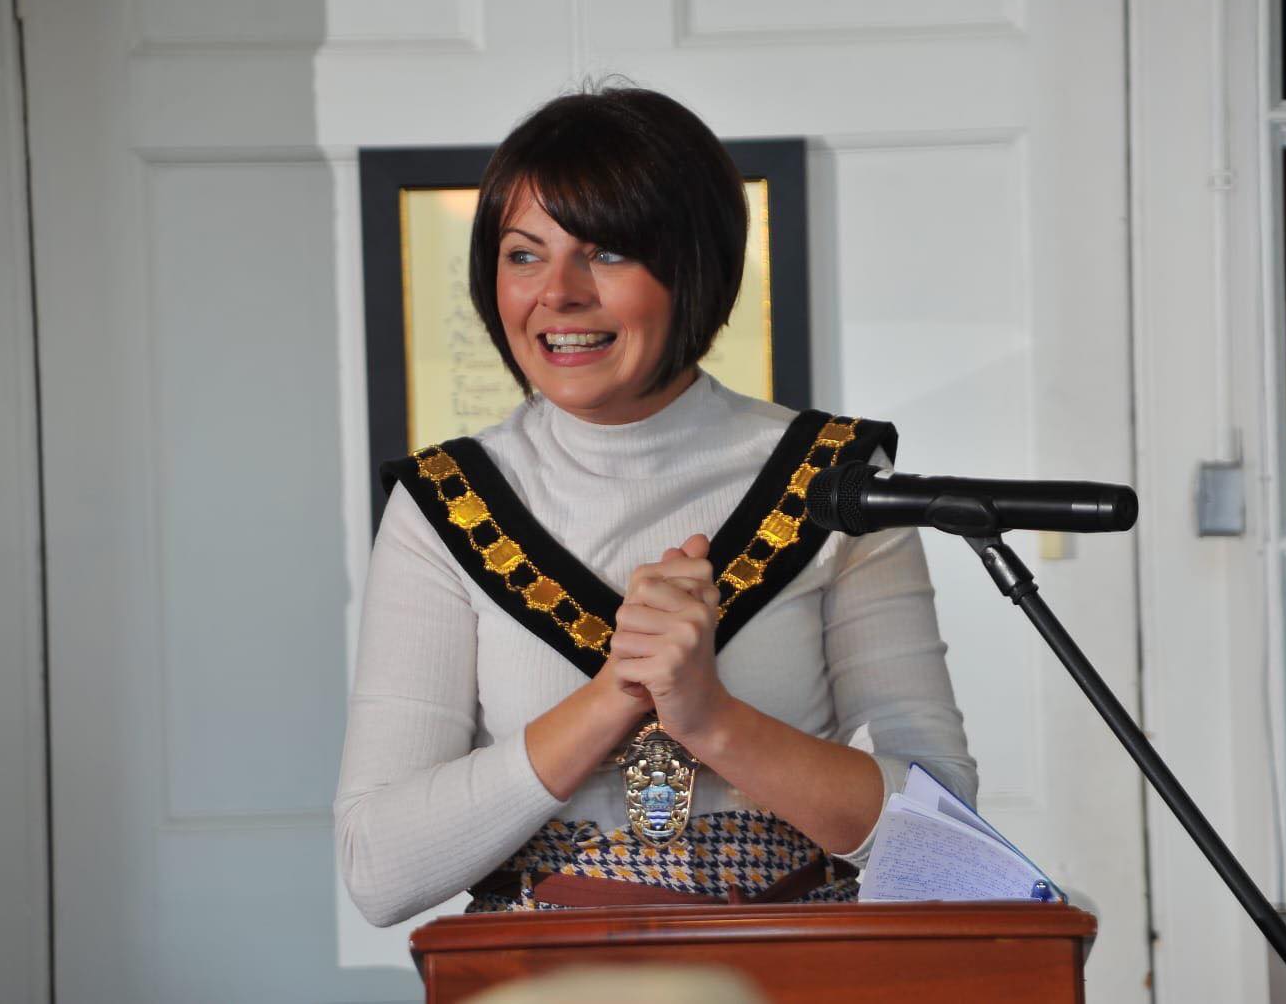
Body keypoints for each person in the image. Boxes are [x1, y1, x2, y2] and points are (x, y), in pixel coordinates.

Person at [334, 84, 977, 925]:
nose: (556, 293)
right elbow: (378, 870)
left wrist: (710, 718)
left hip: (795, 963)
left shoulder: (836, 483)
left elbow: (945, 845)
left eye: (605, 253)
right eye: (524, 254)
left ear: (696, 265)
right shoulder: (445, 506)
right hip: (540, 977)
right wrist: (614, 697)